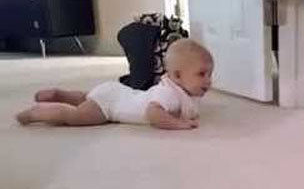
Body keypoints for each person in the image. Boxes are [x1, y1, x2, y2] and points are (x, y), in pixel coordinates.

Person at [16, 39, 213, 130]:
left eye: (210, 74)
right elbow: (154, 114)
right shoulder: (169, 95)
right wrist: (177, 124)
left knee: (88, 98)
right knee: (76, 116)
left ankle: (61, 94)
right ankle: (36, 113)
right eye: (201, 74)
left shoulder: (178, 90)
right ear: (177, 76)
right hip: (110, 107)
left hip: (117, 92)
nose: (208, 81)